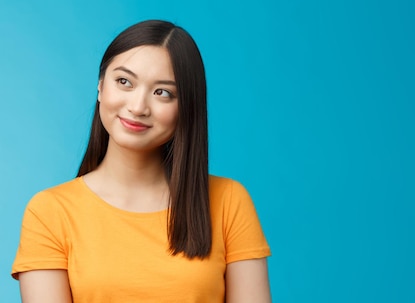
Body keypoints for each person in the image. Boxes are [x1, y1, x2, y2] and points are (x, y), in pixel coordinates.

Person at [11, 20, 271, 302]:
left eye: (163, 92)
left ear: (186, 107)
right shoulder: (50, 212)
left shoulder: (228, 202)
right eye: (124, 82)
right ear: (100, 86)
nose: (138, 107)